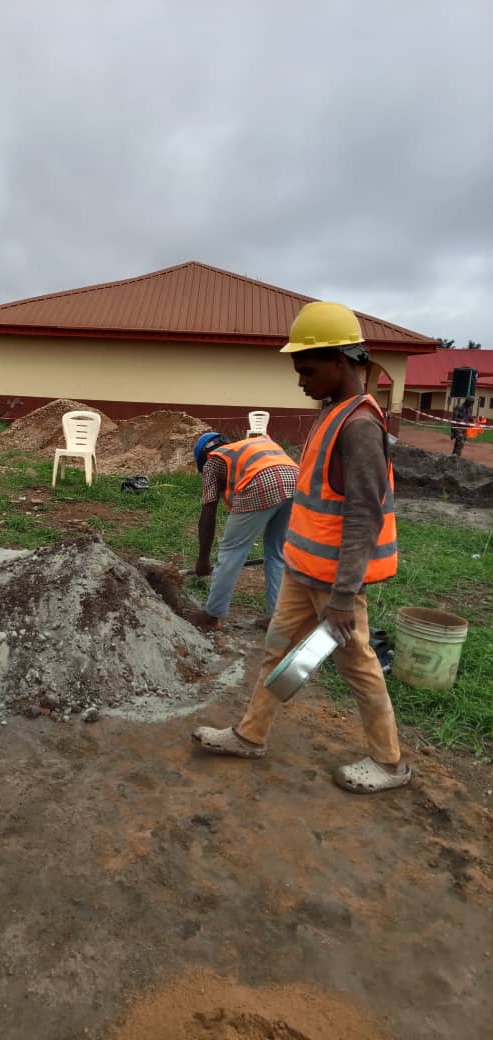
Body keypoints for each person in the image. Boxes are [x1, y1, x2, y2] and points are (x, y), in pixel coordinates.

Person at [192, 301, 411, 794]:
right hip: (302, 569)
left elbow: (364, 516)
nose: (300, 381)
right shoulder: (333, 413)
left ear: (340, 362)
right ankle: (250, 735)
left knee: (358, 667)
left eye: (307, 370)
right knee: (276, 651)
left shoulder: (359, 426)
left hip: (335, 582)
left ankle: (390, 762)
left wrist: (343, 597)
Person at [191, 431, 298, 630]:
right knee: (277, 552)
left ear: (204, 456)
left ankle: (211, 616)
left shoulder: (212, 461)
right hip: (296, 482)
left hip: (261, 481)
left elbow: (208, 514)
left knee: (232, 551)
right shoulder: (254, 444)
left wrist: (203, 559)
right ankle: (276, 619)